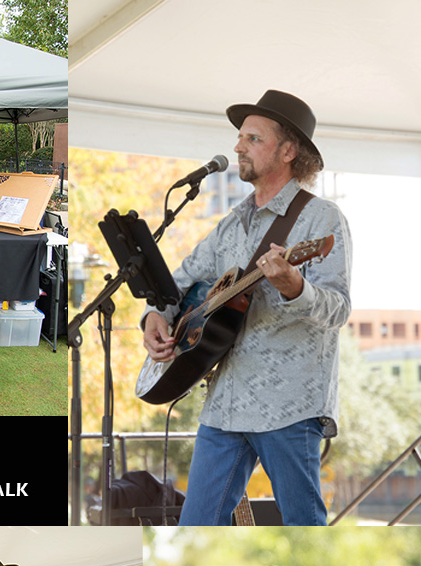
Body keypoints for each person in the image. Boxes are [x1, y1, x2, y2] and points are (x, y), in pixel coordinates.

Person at [141, 91, 351, 525]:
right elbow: (178, 283)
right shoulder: (231, 223)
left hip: (289, 405)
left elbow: (338, 309)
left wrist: (295, 286)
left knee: (302, 526)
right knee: (195, 526)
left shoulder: (322, 220)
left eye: (253, 139)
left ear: (289, 151)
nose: (238, 147)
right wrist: (154, 317)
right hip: (225, 403)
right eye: (239, 137)